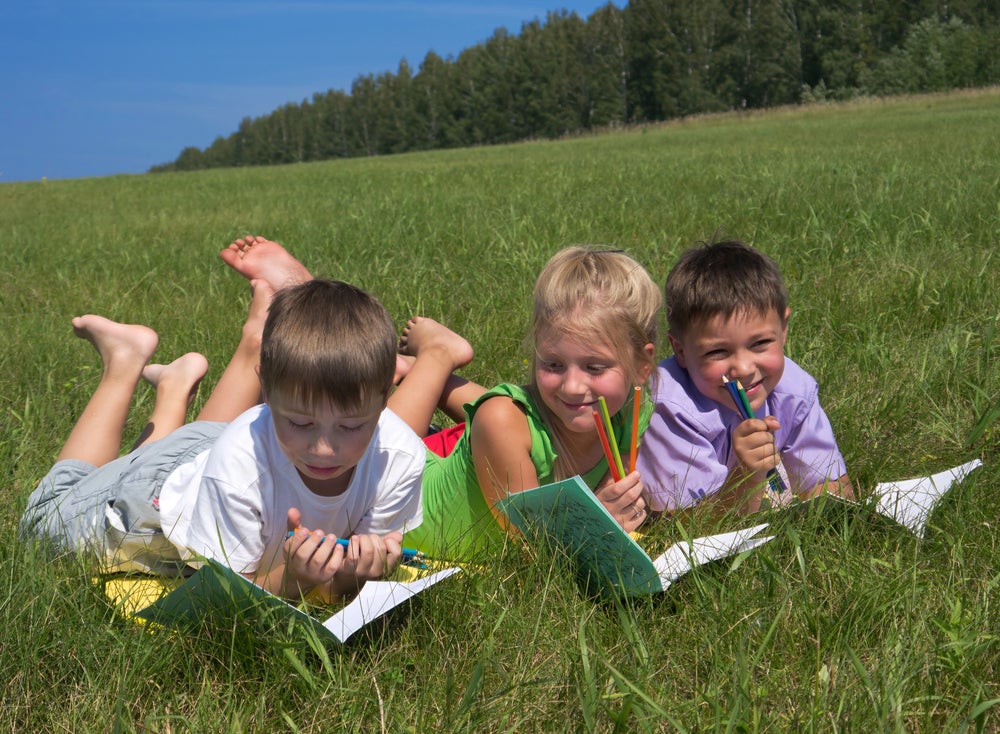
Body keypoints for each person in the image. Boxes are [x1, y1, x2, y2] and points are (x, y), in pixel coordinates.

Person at [20, 239, 426, 603]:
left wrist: (356, 573)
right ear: (265, 392)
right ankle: (123, 362)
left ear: (385, 398)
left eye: (351, 427)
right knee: (41, 519)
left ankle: (182, 383)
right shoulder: (238, 466)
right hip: (154, 511)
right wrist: (293, 579)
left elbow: (344, 585)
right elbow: (232, 598)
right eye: (302, 424)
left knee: (222, 457)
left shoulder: (398, 457)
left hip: (218, 450)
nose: (324, 448)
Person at [394, 246, 662, 560]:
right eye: (553, 364)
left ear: (641, 367)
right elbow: (532, 554)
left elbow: (610, 494)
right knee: (384, 443)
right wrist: (594, 527)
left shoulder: (631, 409)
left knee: (509, 414)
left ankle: (427, 377)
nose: (573, 386)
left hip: (496, 433)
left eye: (594, 367)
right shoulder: (501, 420)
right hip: (399, 493)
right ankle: (436, 354)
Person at [636, 238, 854, 515]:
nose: (744, 369)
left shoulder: (793, 390)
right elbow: (686, 525)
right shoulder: (669, 406)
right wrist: (747, 475)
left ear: (783, 329)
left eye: (760, 343)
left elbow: (831, 488)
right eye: (717, 351)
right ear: (680, 350)